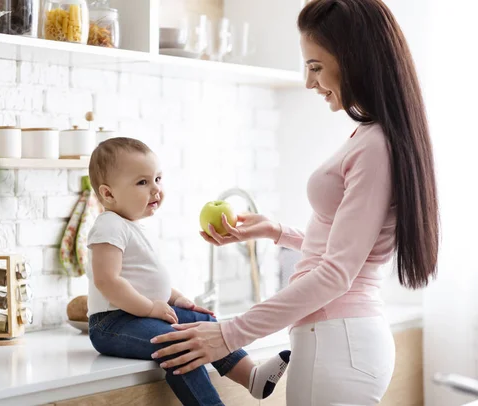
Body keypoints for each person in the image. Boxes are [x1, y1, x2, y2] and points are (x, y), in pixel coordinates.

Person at [150, 0, 439, 404]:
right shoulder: (372, 137)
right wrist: (277, 232)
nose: (308, 82)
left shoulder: (374, 146)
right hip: (343, 340)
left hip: (338, 343)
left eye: (316, 67)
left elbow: (336, 273)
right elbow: (348, 248)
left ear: (354, 58)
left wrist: (229, 334)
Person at [85, 137, 291, 406]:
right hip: (112, 323)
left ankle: (250, 375)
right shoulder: (109, 225)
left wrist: (174, 298)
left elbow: (142, 280)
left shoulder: (131, 226)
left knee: (199, 319)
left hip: (136, 313)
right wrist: (149, 309)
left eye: (158, 179)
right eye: (142, 182)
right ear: (108, 194)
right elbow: (107, 281)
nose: (156, 189)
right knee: (181, 345)